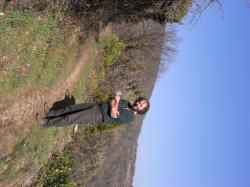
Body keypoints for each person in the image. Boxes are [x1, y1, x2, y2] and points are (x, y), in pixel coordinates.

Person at [36, 94, 150, 128]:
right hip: (97, 106)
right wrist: (114, 103)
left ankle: (45, 123)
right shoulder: (127, 103)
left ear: (141, 110)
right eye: (139, 101)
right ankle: (50, 113)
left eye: (140, 105)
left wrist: (115, 104)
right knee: (71, 108)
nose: (138, 104)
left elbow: (112, 113)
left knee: (70, 118)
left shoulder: (130, 118)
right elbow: (110, 100)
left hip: (98, 115)